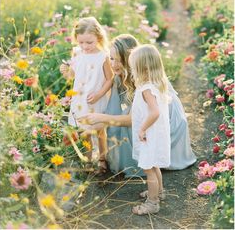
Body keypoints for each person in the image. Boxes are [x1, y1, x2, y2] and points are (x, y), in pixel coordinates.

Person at [79, 34, 196, 177]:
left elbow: (137, 118)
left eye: (119, 60)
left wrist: (101, 118)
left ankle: (149, 163)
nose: (114, 64)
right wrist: (95, 120)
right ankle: (135, 160)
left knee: (128, 127)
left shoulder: (144, 79)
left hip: (166, 123)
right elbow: (112, 111)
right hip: (149, 119)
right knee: (116, 126)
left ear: (130, 60)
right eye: (111, 58)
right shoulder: (119, 77)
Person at [60, 17, 113, 172]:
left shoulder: (103, 56)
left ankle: (102, 159)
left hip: (97, 98)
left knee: (99, 130)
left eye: (89, 42)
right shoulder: (77, 52)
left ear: (99, 38)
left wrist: (99, 94)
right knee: (84, 132)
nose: (85, 46)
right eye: (81, 42)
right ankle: (88, 160)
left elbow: (110, 79)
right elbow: (72, 75)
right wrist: (65, 72)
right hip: (80, 99)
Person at [128, 44, 170, 215]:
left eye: (133, 67)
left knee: (149, 170)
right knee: (154, 165)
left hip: (149, 134)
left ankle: (152, 203)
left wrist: (142, 129)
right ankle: (159, 192)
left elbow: (155, 112)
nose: (131, 70)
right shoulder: (156, 84)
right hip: (156, 133)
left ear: (142, 68)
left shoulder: (146, 88)